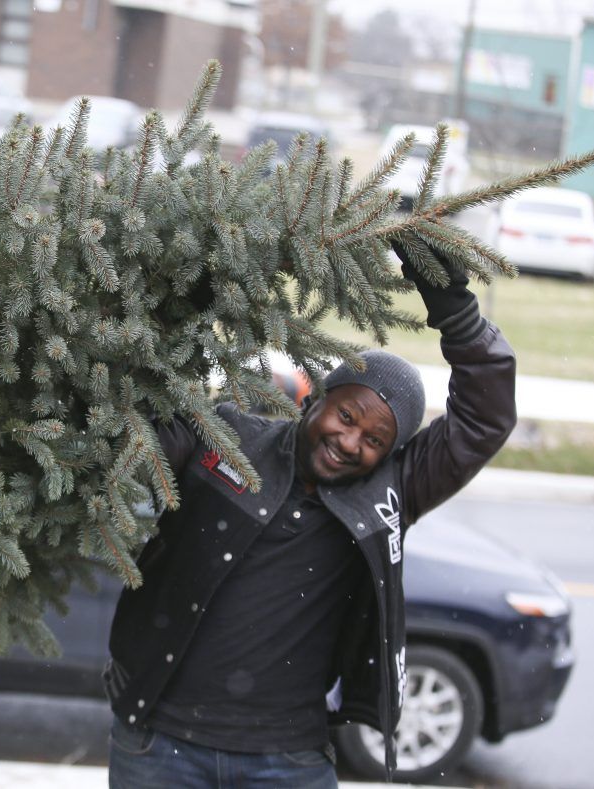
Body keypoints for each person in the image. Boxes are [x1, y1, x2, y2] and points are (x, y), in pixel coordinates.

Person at [104, 243, 517, 788]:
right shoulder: (225, 437)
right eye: (346, 415)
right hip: (159, 744)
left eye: (375, 439)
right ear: (314, 399)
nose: (350, 443)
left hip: (286, 761)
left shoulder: (391, 491)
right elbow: (131, 411)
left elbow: (483, 419)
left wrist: (455, 311)